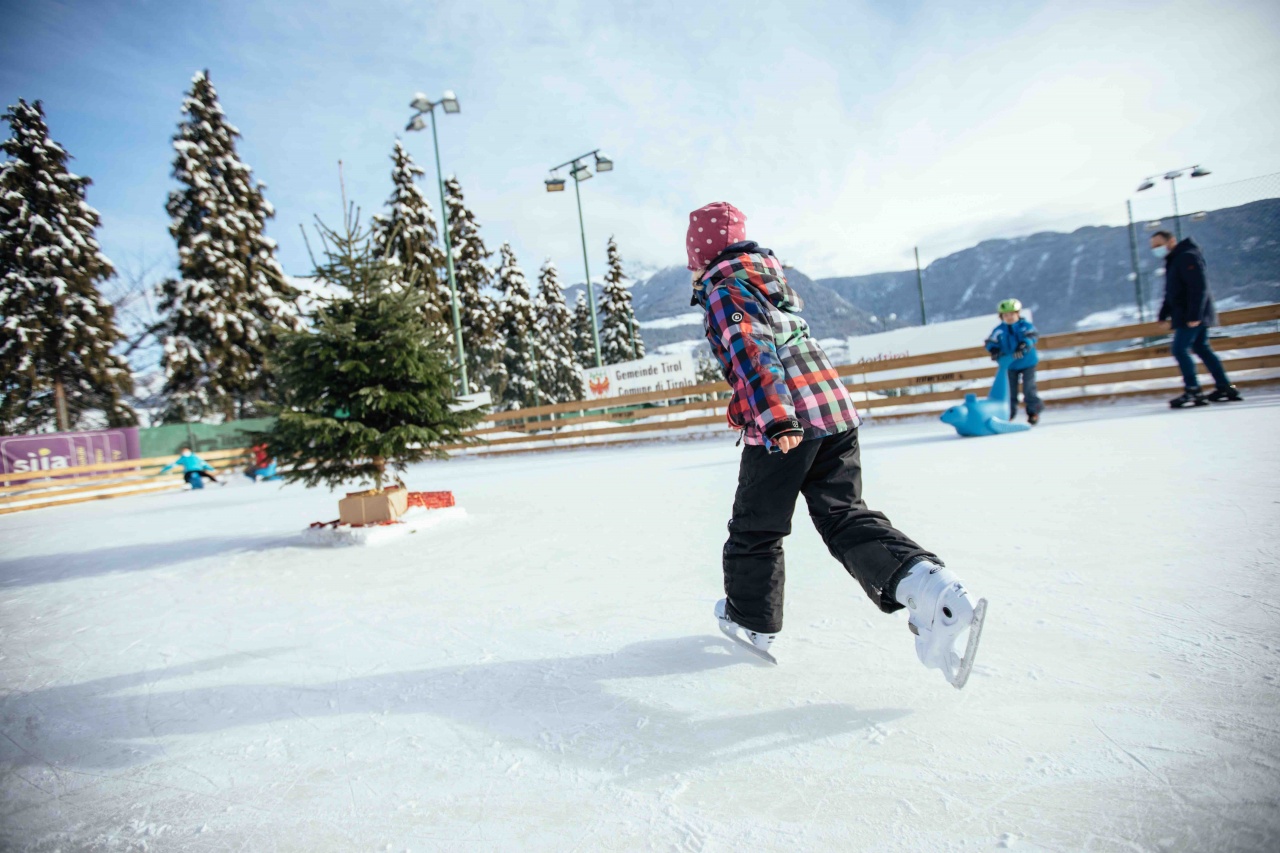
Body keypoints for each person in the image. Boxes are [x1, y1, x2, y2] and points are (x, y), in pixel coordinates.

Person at [687, 201, 986, 687]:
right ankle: (933, 590)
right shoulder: (769, 282)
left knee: (755, 525)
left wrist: (778, 418)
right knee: (842, 513)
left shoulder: (725, 289)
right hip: (835, 413)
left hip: (786, 419)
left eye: (692, 256)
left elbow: (752, 353)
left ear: (702, 254)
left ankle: (750, 620)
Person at [1151, 230, 1242, 408]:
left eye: (1158, 245)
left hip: (1191, 315)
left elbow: (1198, 287)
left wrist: (1194, 315)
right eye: (1153, 246)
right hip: (1188, 314)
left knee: (1179, 349)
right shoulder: (1174, 259)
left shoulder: (1187, 257)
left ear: (1171, 241)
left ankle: (1193, 390)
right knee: (1201, 348)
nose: (1156, 249)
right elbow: (1172, 291)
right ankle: (1225, 387)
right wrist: (1163, 313)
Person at [984, 298, 1043, 425]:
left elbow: (1032, 336)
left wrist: (1024, 344)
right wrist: (994, 350)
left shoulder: (1025, 326)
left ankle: (1033, 412)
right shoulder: (999, 330)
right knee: (1010, 391)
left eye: (1012, 314)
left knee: (1029, 388)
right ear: (1001, 317)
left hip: (1028, 362)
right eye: (1006, 315)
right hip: (1010, 365)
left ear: (1018, 314)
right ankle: (1009, 414)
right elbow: (990, 342)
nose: (1009, 317)